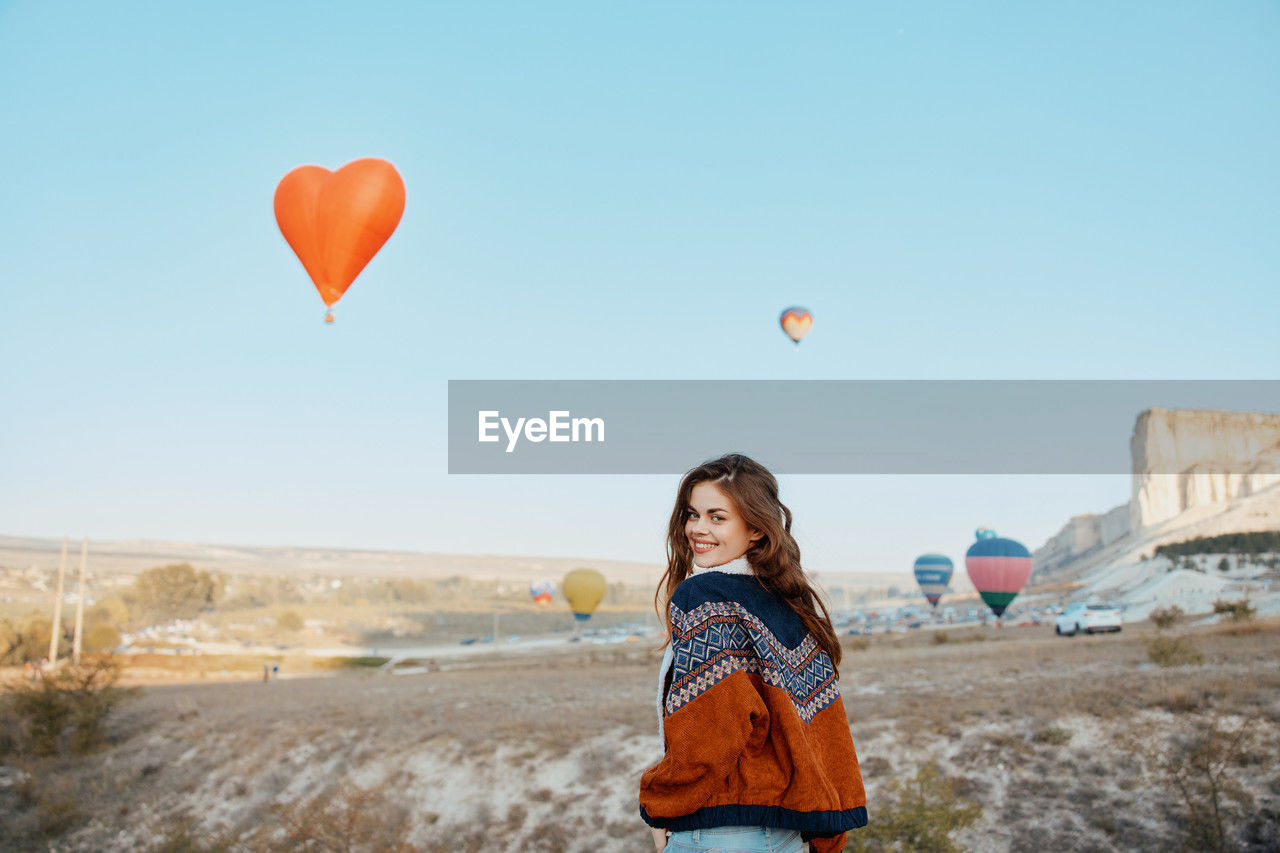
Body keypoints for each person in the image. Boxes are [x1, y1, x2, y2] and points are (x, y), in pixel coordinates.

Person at [639, 454, 867, 853]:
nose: (698, 529)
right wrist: (828, 837)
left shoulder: (702, 596)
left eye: (717, 517)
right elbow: (822, 737)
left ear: (757, 529)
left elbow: (711, 732)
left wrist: (659, 803)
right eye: (692, 514)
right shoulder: (790, 605)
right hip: (787, 837)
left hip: (718, 832)